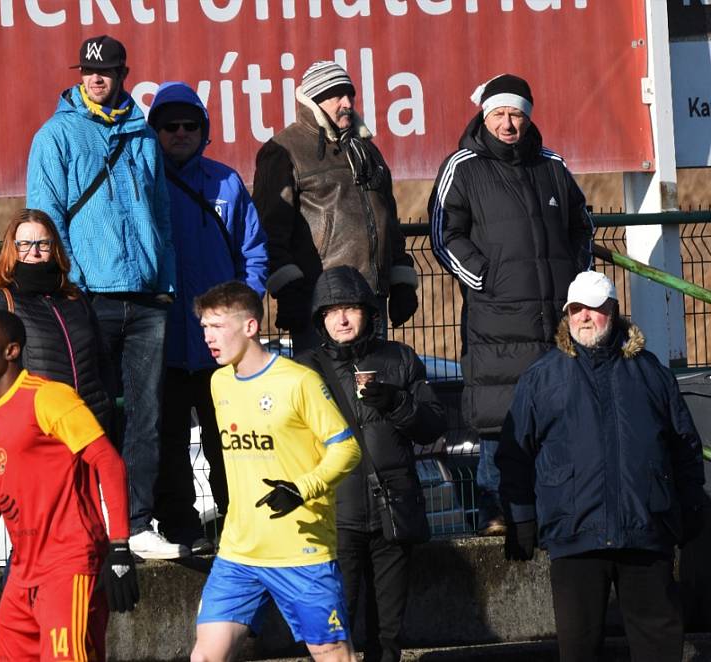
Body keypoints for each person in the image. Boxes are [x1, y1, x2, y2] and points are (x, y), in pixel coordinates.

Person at [496, 271, 705, 662]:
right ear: (566, 315)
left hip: (646, 530)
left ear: (614, 310)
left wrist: (691, 506)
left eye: (594, 308)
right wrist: (521, 517)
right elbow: (515, 454)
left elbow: (684, 446)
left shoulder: (652, 373)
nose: (585, 317)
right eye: (576, 309)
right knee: (578, 649)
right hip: (574, 534)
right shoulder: (542, 378)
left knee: (659, 645)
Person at [26, 35, 180, 559]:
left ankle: (136, 523)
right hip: (90, 298)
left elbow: (161, 214)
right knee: (91, 414)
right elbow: (45, 220)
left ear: (123, 74)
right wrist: (73, 288)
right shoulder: (55, 136)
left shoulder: (142, 134)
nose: (97, 78)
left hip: (147, 299)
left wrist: (165, 284)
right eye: (90, 71)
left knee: (147, 415)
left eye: (108, 70)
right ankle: (94, 522)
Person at [427, 73, 594, 535]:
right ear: (484, 115)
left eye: (516, 113)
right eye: (499, 113)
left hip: (556, 323)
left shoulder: (553, 165)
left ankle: (557, 517)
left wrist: (575, 280)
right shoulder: (463, 167)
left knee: (559, 424)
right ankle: (496, 515)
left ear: (528, 117)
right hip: (495, 321)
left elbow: (582, 224)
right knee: (499, 423)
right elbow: (443, 234)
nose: (508, 123)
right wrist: (484, 277)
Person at [0, 310, 139, 661]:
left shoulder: (49, 397)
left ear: (11, 351)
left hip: (70, 563)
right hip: (23, 570)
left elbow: (109, 462)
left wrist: (119, 548)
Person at [190, 281, 361, 662]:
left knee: (332, 652)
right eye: (204, 328)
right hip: (239, 551)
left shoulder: (299, 382)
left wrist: (302, 489)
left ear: (250, 327)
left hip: (301, 552)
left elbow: (346, 447)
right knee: (206, 655)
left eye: (217, 327)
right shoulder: (219, 383)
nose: (208, 337)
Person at [295, 265, 447, 662]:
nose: (341, 319)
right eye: (330, 311)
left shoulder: (400, 359)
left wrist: (396, 403)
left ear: (368, 312)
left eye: (349, 308)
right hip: (333, 518)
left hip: (392, 513)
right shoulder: (305, 368)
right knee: (332, 630)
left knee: (389, 633)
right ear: (319, 319)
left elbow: (432, 425)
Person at [146, 81, 269, 555]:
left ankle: (241, 525)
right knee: (170, 444)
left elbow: (253, 253)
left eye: (189, 125)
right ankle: (181, 528)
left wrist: (244, 310)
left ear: (204, 130)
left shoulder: (227, 183)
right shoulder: (144, 184)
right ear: (155, 131)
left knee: (233, 442)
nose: (180, 133)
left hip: (224, 348)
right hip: (164, 343)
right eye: (170, 125)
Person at [253, 60, 419, 354]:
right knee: (325, 393)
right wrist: (287, 289)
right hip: (321, 301)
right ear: (315, 101)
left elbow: (388, 220)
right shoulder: (283, 149)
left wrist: (401, 278)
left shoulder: (366, 149)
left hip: (371, 298)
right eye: (336, 96)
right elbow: (269, 230)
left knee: (371, 390)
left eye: (350, 94)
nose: (347, 103)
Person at [0, 208, 112, 435]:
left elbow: (101, 360)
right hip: (42, 429)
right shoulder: (4, 300)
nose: (34, 252)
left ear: (54, 249)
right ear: (12, 249)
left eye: (43, 244)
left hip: (92, 424)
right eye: (24, 244)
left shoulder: (75, 297)